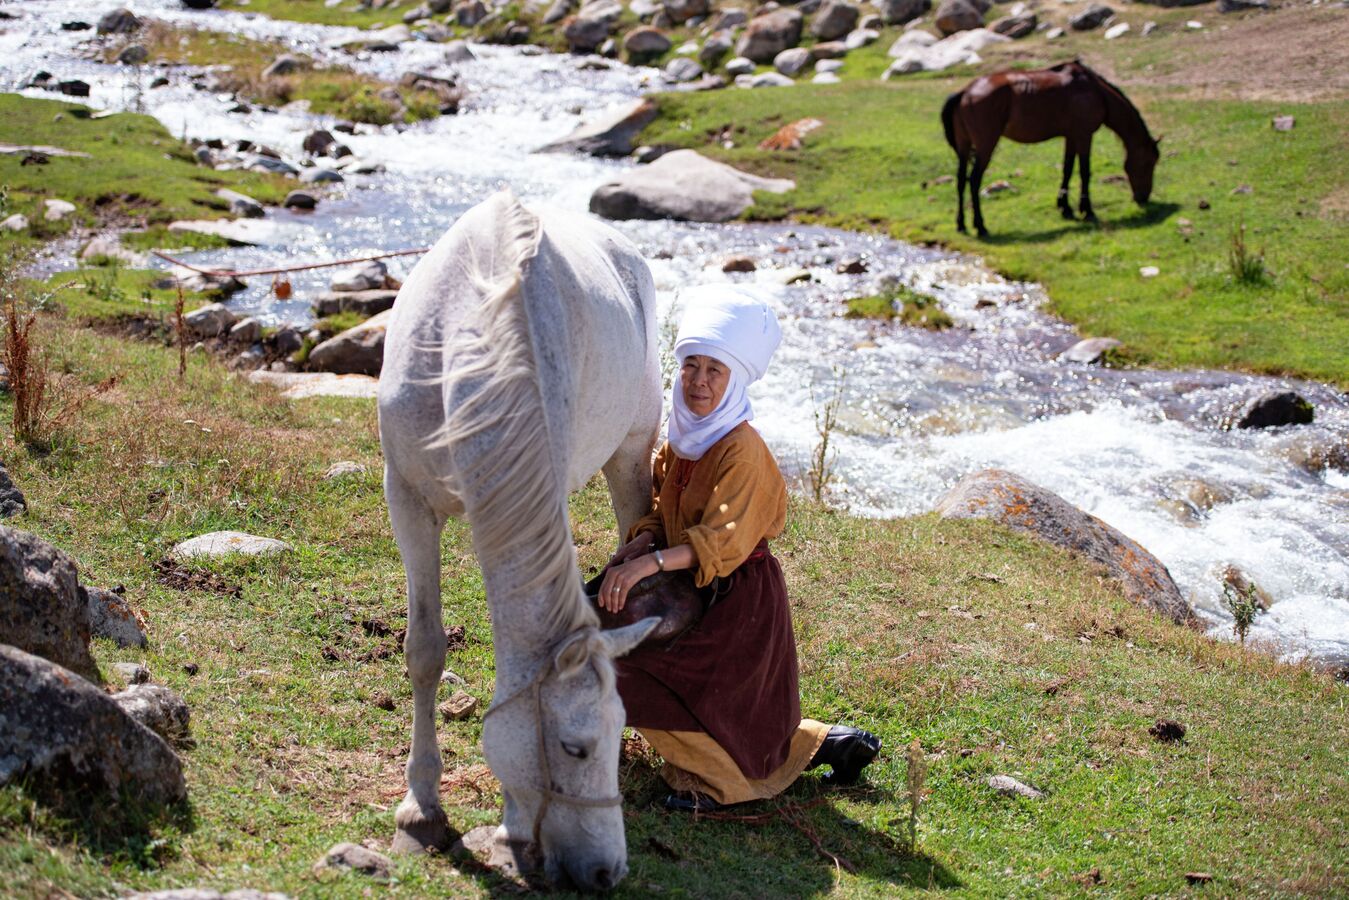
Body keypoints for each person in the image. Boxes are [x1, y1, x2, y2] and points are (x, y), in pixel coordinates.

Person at [598, 284, 881, 812]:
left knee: (648, 681)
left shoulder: (742, 452)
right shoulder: (683, 440)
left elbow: (718, 545)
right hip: (691, 590)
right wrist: (637, 544)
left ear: (736, 380)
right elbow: (667, 514)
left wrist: (648, 567)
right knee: (720, 709)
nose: (699, 382)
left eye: (715, 370)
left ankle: (722, 788)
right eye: (691, 366)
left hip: (735, 603)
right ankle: (823, 743)